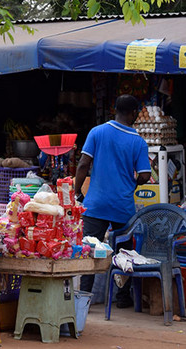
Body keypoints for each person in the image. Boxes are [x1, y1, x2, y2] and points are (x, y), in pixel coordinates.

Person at [75, 94, 151, 308]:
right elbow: (145, 175)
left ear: (115, 109)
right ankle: (122, 297)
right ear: (134, 113)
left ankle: (83, 297)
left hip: (96, 204)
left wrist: (77, 192)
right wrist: (133, 183)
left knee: (90, 250)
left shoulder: (96, 132)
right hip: (122, 206)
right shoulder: (138, 142)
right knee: (125, 253)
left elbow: (83, 165)